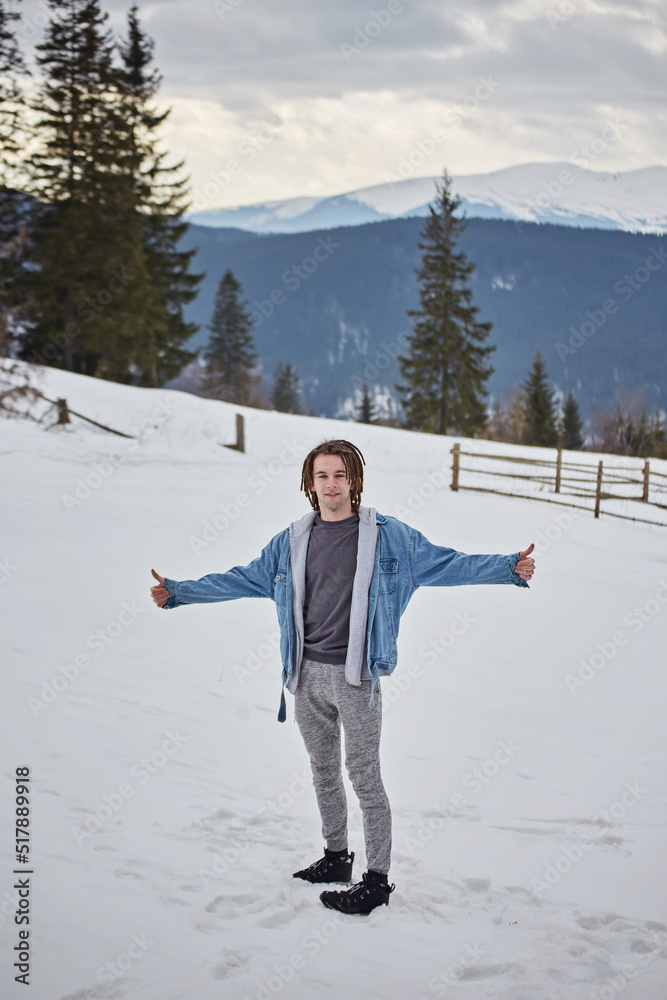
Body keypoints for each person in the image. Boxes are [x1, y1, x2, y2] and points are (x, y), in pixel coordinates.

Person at [150, 438, 535, 915]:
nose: (331, 484)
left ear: (354, 479)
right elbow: (240, 578)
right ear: (310, 485)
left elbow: (448, 563)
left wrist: (507, 568)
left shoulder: (389, 537)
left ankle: (376, 881)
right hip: (306, 675)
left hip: (356, 678)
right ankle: (336, 858)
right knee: (323, 772)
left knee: (365, 777)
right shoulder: (290, 541)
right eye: (321, 476)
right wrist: (180, 593)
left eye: (339, 475)